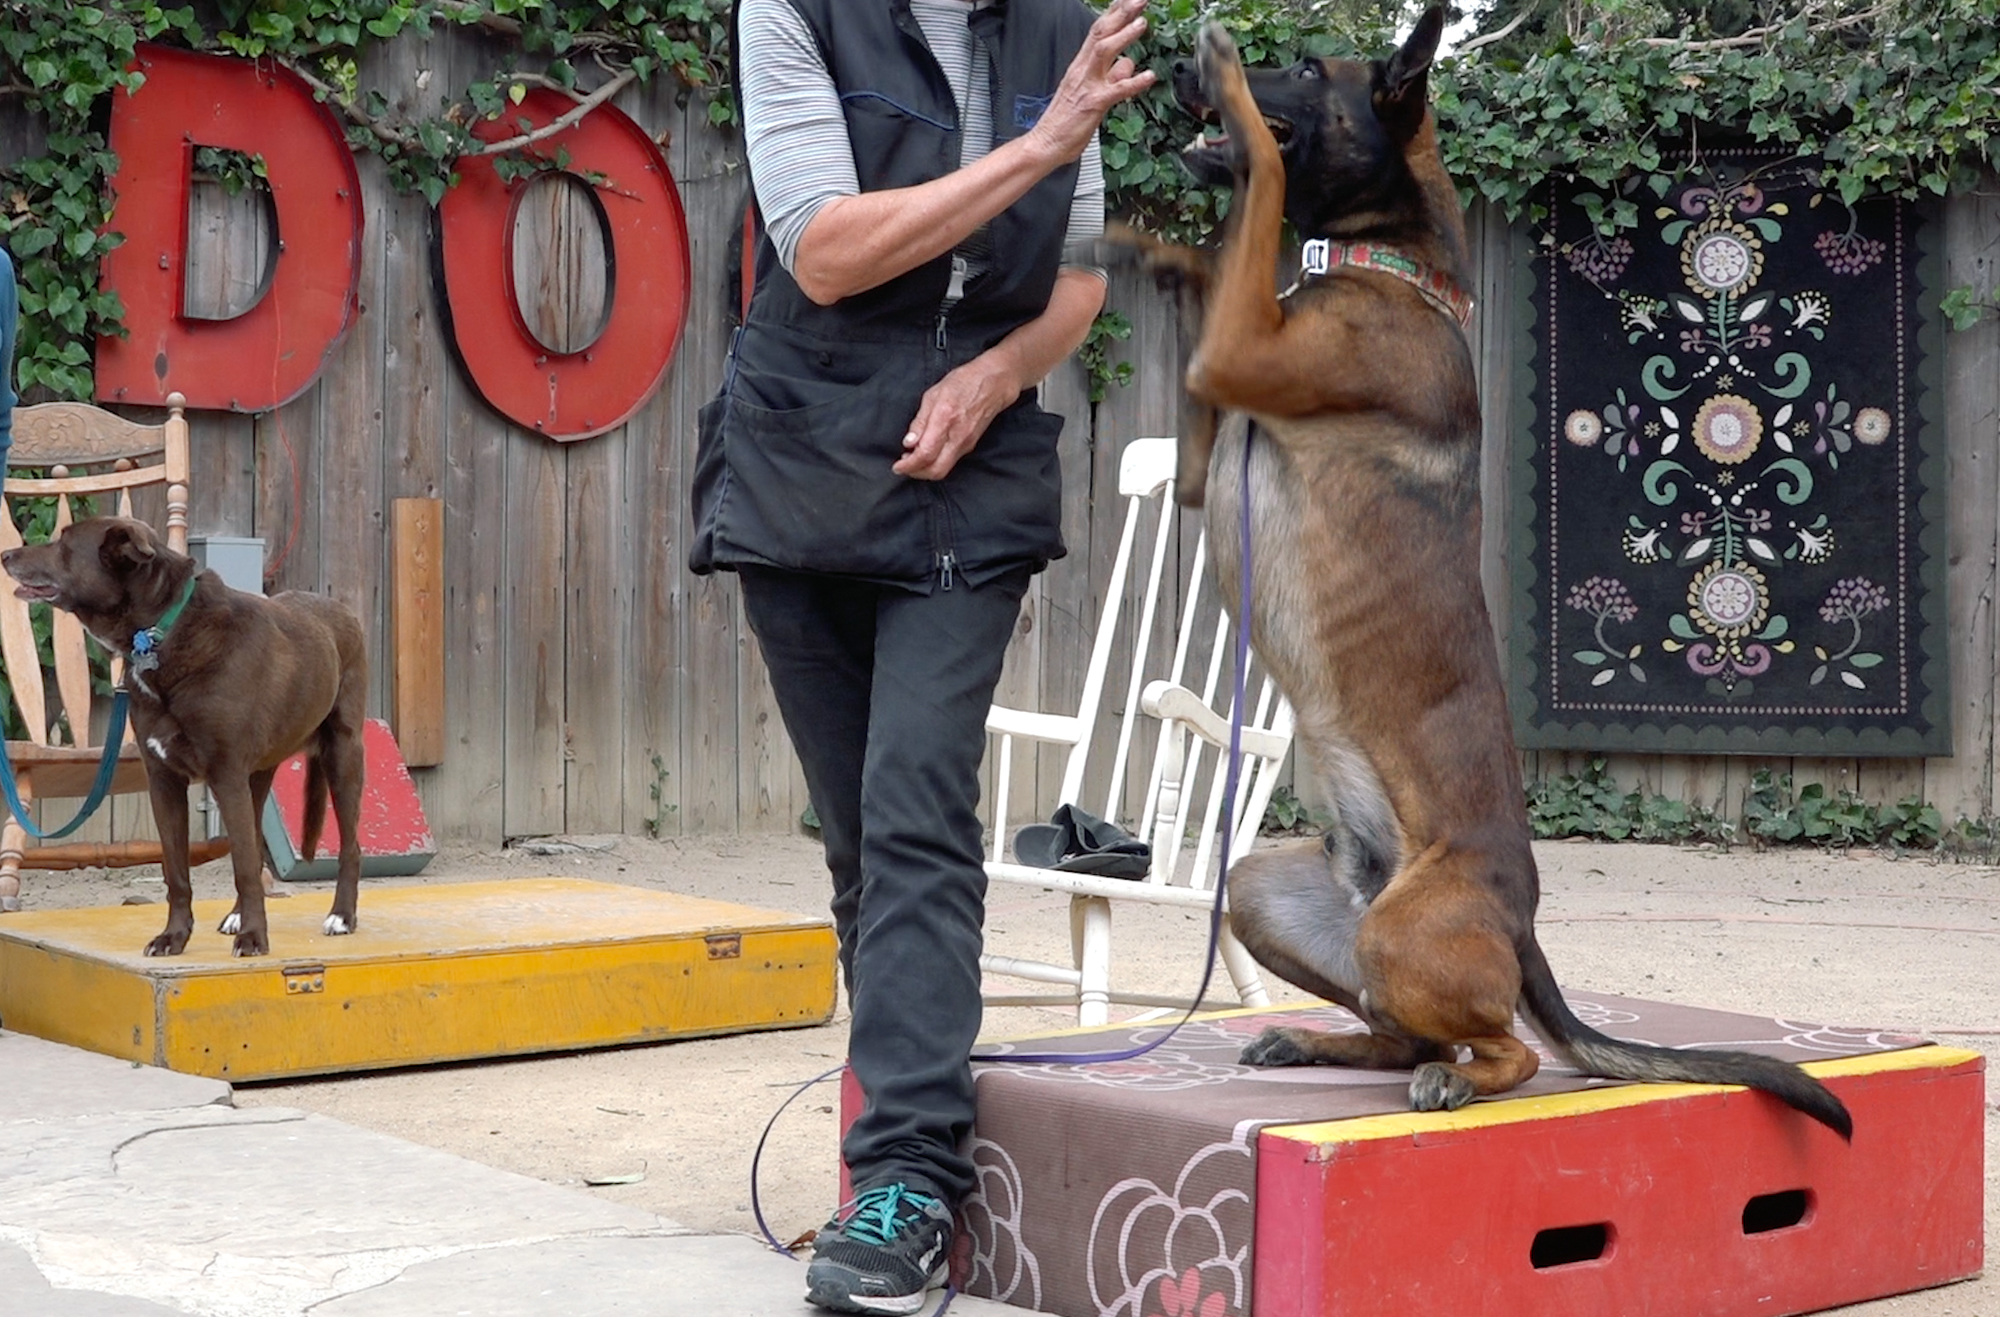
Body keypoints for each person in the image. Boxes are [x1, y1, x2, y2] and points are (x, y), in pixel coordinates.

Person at [690, 0, 1155, 1311]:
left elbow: (1075, 276)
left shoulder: (1060, 23)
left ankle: (906, 1180)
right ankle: (889, 1135)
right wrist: (1039, 142)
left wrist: (999, 374)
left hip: (971, 456)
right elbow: (824, 252)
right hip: (804, 447)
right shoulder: (791, 10)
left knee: (913, 806)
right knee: (862, 842)